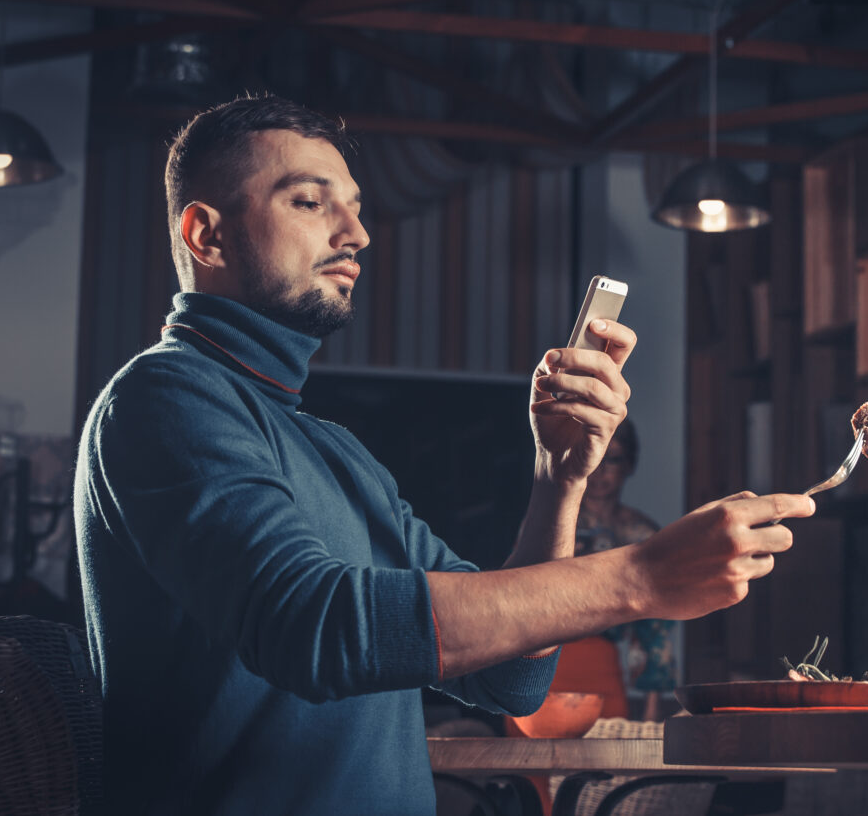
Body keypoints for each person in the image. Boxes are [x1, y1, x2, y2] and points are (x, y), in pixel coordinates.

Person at [73, 93, 814, 816]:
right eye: (309, 202)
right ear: (207, 236)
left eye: (357, 206)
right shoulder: (164, 397)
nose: (356, 233)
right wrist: (640, 576)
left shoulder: (336, 450)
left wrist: (558, 482)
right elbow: (313, 626)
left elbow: (511, 681)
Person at [552, 419, 678, 722]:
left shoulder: (644, 535)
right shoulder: (549, 524)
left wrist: (651, 709)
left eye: (614, 459)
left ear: (630, 464)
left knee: (604, 762)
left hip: (605, 662)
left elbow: (656, 626)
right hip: (548, 657)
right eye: (593, 458)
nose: (601, 470)